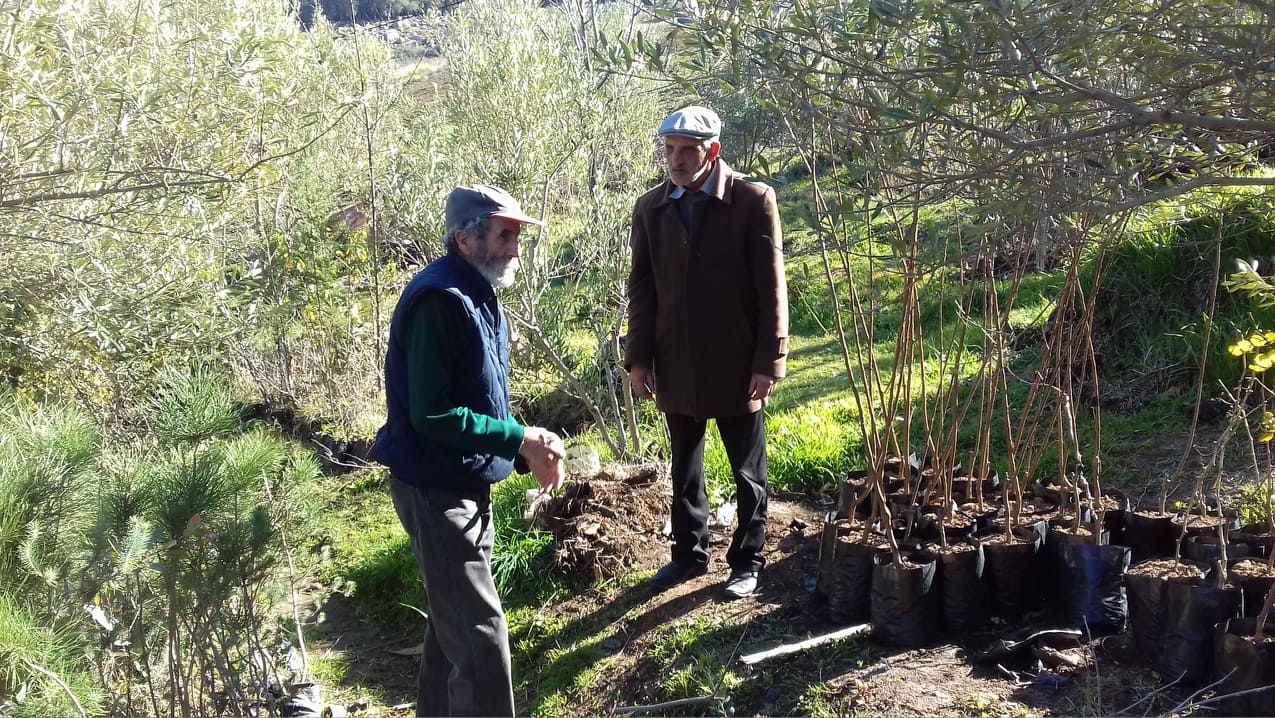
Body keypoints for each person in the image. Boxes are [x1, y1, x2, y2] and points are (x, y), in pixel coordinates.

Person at [372, 184, 565, 717]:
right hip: (436, 492)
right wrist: (518, 437)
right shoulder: (441, 300)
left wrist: (525, 442)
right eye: (506, 236)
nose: (515, 249)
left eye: (517, 237)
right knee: (481, 641)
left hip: (462, 483)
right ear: (464, 239)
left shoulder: (478, 291)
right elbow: (432, 415)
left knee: (452, 627)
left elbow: (477, 396)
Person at [625, 106, 789, 600]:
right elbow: (643, 289)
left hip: (739, 363)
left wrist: (769, 362)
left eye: (686, 151)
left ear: (712, 151)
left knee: (747, 470)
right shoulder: (650, 208)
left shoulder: (752, 200)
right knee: (684, 467)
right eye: (669, 149)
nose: (674, 160)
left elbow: (771, 288)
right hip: (675, 364)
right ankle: (689, 556)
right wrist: (638, 359)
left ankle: (748, 559)